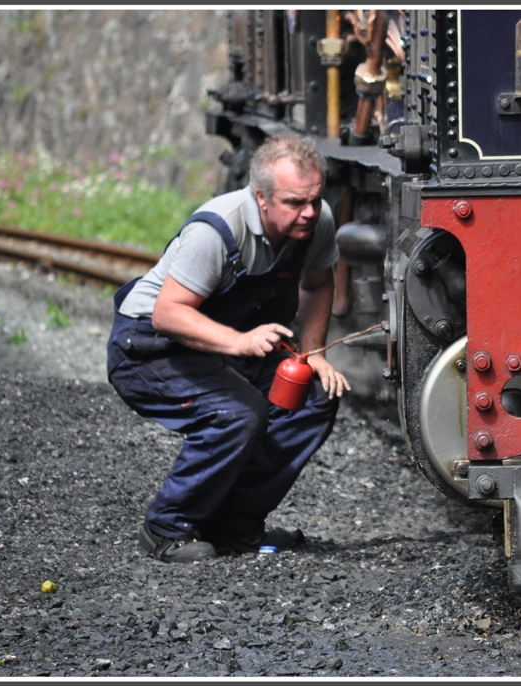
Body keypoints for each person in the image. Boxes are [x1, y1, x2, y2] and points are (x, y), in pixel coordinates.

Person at [106, 133, 350, 563]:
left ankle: (234, 527)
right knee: (236, 413)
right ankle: (167, 527)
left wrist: (313, 355)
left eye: (315, 199)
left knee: (313, 396)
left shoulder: (317, 221)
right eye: (294, 202)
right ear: (261, 198)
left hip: (224, 345)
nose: (309, 212)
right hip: (148, 347)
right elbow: (168, 314)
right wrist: (240, 341)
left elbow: (317, 283)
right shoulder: (216, 230)